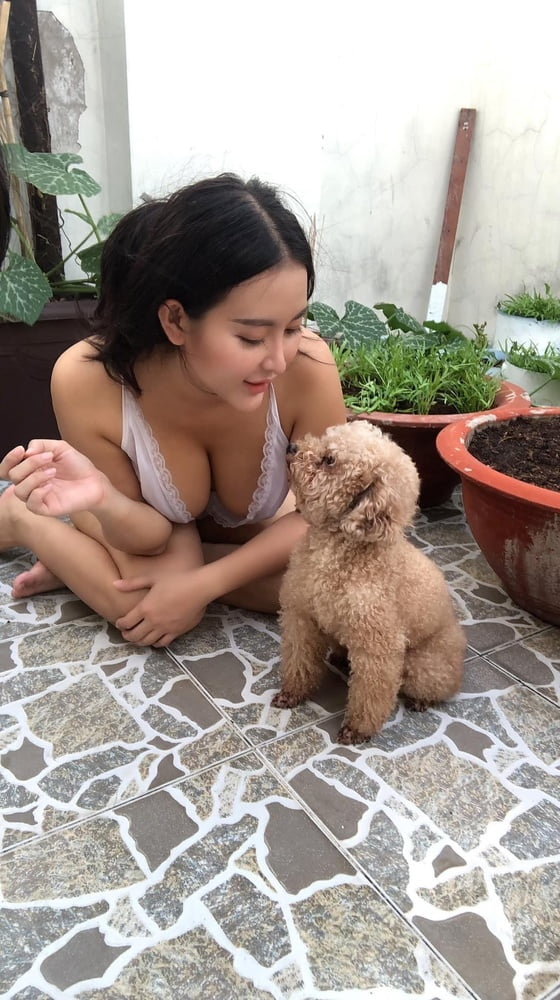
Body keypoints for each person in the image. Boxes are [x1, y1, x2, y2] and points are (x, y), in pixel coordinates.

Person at [0, 173, 346, 646]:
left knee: (335, 592)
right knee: (141, 609)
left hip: (228, 533)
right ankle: (22, 520)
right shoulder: (89, 380)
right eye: (250, 337)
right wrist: (101, 501)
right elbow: (147, 537)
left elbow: (327, 515)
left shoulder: (307, 368)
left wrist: (201, 584)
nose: (278, 361)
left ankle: (82, 564)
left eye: (292, 327)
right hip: (140, 521)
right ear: (177, 320)